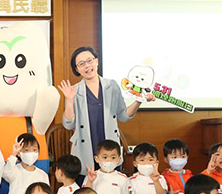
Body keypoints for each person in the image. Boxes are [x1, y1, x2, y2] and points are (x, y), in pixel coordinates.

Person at [58, 47, 153, 177]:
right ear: (77, 69)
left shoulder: (112, 85)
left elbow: (123, 116)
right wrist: (69, 100)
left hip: (109, 147)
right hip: (85, 148)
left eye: (90, 60)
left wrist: (139, 100)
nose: (87, 66)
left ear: (97, 61)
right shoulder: (74, 90)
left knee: (112, 185)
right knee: (87, 185)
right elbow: (68, 125)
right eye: (81, 64)